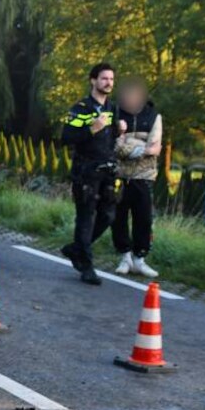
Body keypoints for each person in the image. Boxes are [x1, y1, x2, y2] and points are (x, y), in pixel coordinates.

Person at [60, 62, 123, 285]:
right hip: (85, 171)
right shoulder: (81, 108)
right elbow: (66, 137)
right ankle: (86, 266)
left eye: (112, 79)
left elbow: (109, 139)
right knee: (86, 217)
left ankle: (77, 248)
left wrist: (118, 129)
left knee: (108, 216)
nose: (108, 83)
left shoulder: (113, 108)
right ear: (93, 80)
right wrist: (91, 128)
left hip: (107, 170)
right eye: (104, 78)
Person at [112, 78, 162, 277]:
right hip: (120, 175)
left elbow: (155, 147)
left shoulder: (153, 116)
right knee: (118, 217)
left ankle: (140, 257)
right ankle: (124, 256)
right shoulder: (116, 114)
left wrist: (131, 146)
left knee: (144, 218)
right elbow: (116, 146)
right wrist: (139, 146)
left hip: (144, 175)